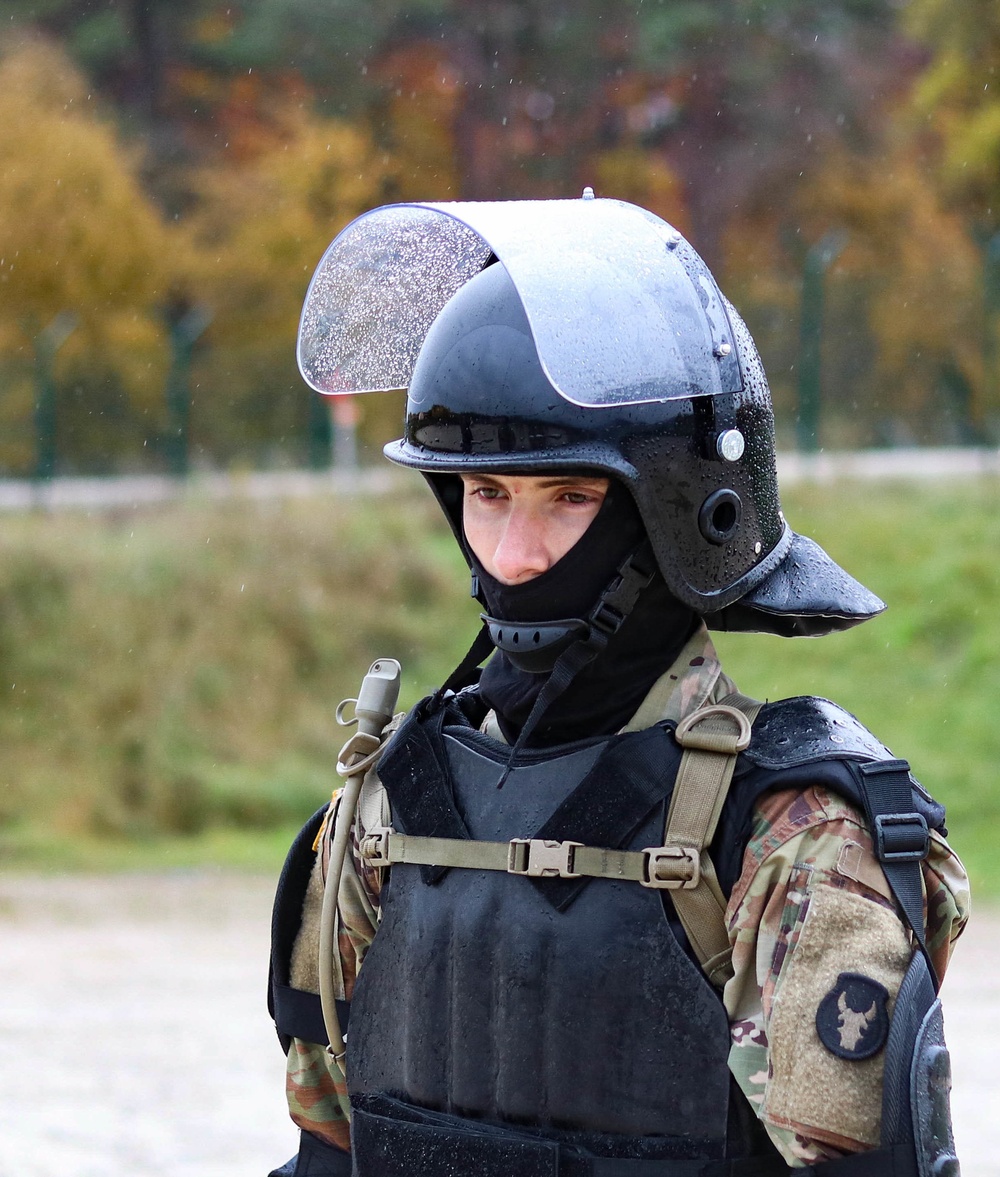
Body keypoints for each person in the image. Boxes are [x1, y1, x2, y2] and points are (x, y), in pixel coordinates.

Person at [267, 196, 969, 1176]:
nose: (514, 553)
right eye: (485, 495)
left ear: (667, 517)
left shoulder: (792, 828)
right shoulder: (384, 805)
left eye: (569, 498)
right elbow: (326, 1152)